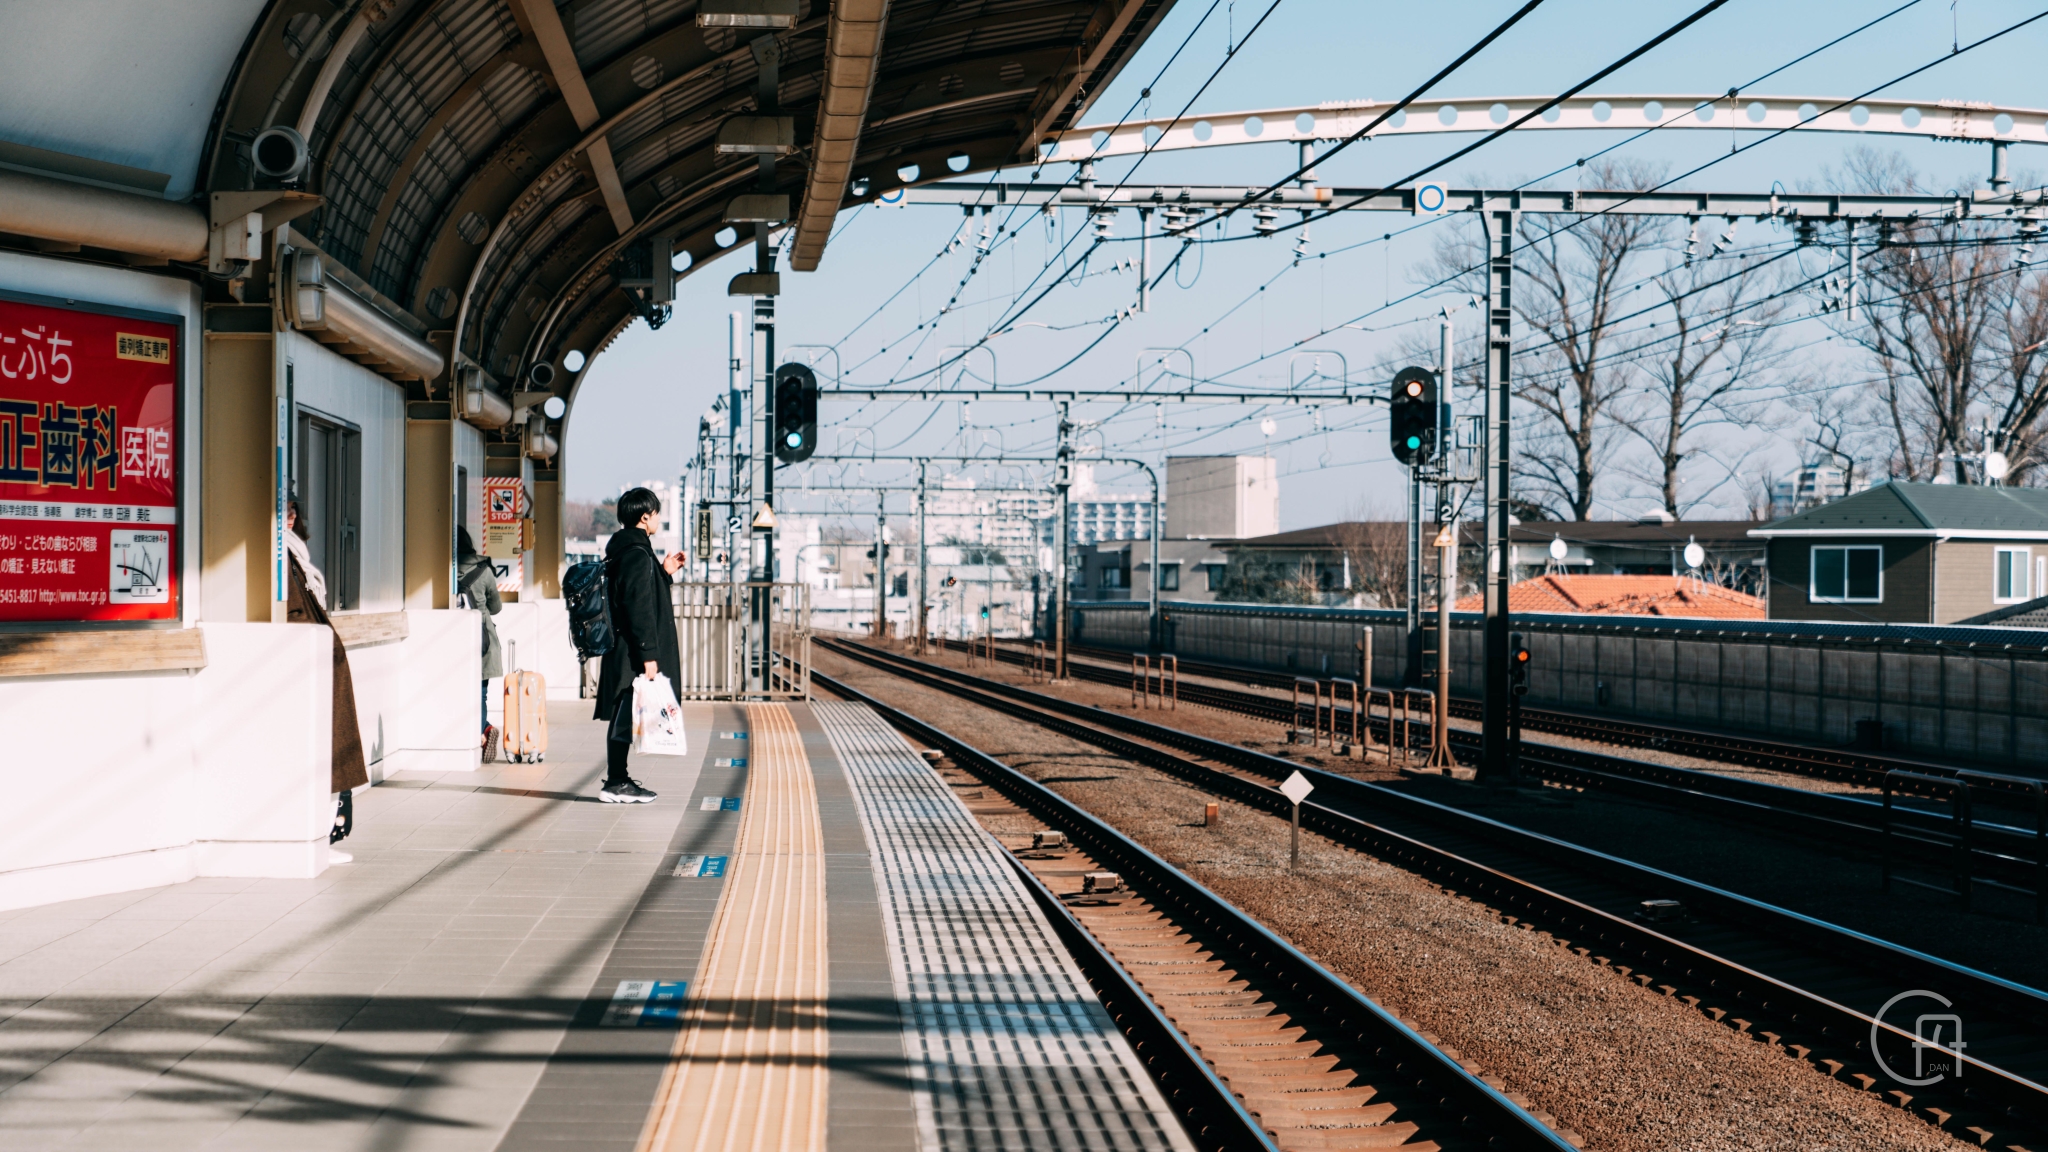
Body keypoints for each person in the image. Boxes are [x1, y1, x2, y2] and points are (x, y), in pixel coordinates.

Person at [284, 499, 370, 862]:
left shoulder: (295, 555)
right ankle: (321, 835)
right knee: (324, 754)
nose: (290, 517)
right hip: (310, 671)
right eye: (283, 510)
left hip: (321, 668)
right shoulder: (282, 558)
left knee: (330, 753)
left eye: (293, 511)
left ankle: (325, 832)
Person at [593, 486, 682, 803]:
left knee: (625, 714)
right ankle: (616, 781)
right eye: (656, 513)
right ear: (645, 517)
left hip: (626, 648)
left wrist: (664, 572)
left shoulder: (628, 551)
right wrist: (649, 657)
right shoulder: (636, 554)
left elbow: (638, 592)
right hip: (632, 651)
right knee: (623, 715)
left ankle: (618, 779)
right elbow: (638, 607)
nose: (658, 518)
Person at [455, 528, 504, 760]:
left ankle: (483, 730)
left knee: (456, 691)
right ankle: (481, 733)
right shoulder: (484, 571)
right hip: (482, 641)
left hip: (454, 639)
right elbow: (496, 608)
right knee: (480, 694)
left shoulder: (444, 569)